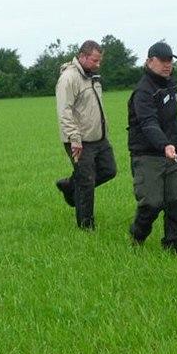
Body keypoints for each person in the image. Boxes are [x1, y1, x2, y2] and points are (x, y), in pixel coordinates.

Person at [127, 41, 177, 253]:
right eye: (162, 61)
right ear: (149, 61)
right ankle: (137, 235)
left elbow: (174, 120)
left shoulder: (172, 86)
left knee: (176, 201)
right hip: (147, 155)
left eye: (170, 60)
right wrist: (165, 145)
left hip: (173, 153)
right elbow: (148, 123)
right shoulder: (143, 92)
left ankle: (173, 247)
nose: (167, 65)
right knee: (152, 203)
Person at [55, 40, 117, 230]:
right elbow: (64, 110)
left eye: (99, 61)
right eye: (94, 60)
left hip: (99, 138)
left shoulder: (92, 76)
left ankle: (70, 185)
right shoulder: (69, 78)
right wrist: (74, 139)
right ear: (82, 56)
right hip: (80, 141)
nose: (98, 64)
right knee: (87, 182)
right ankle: (86, 227)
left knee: (109, 170)